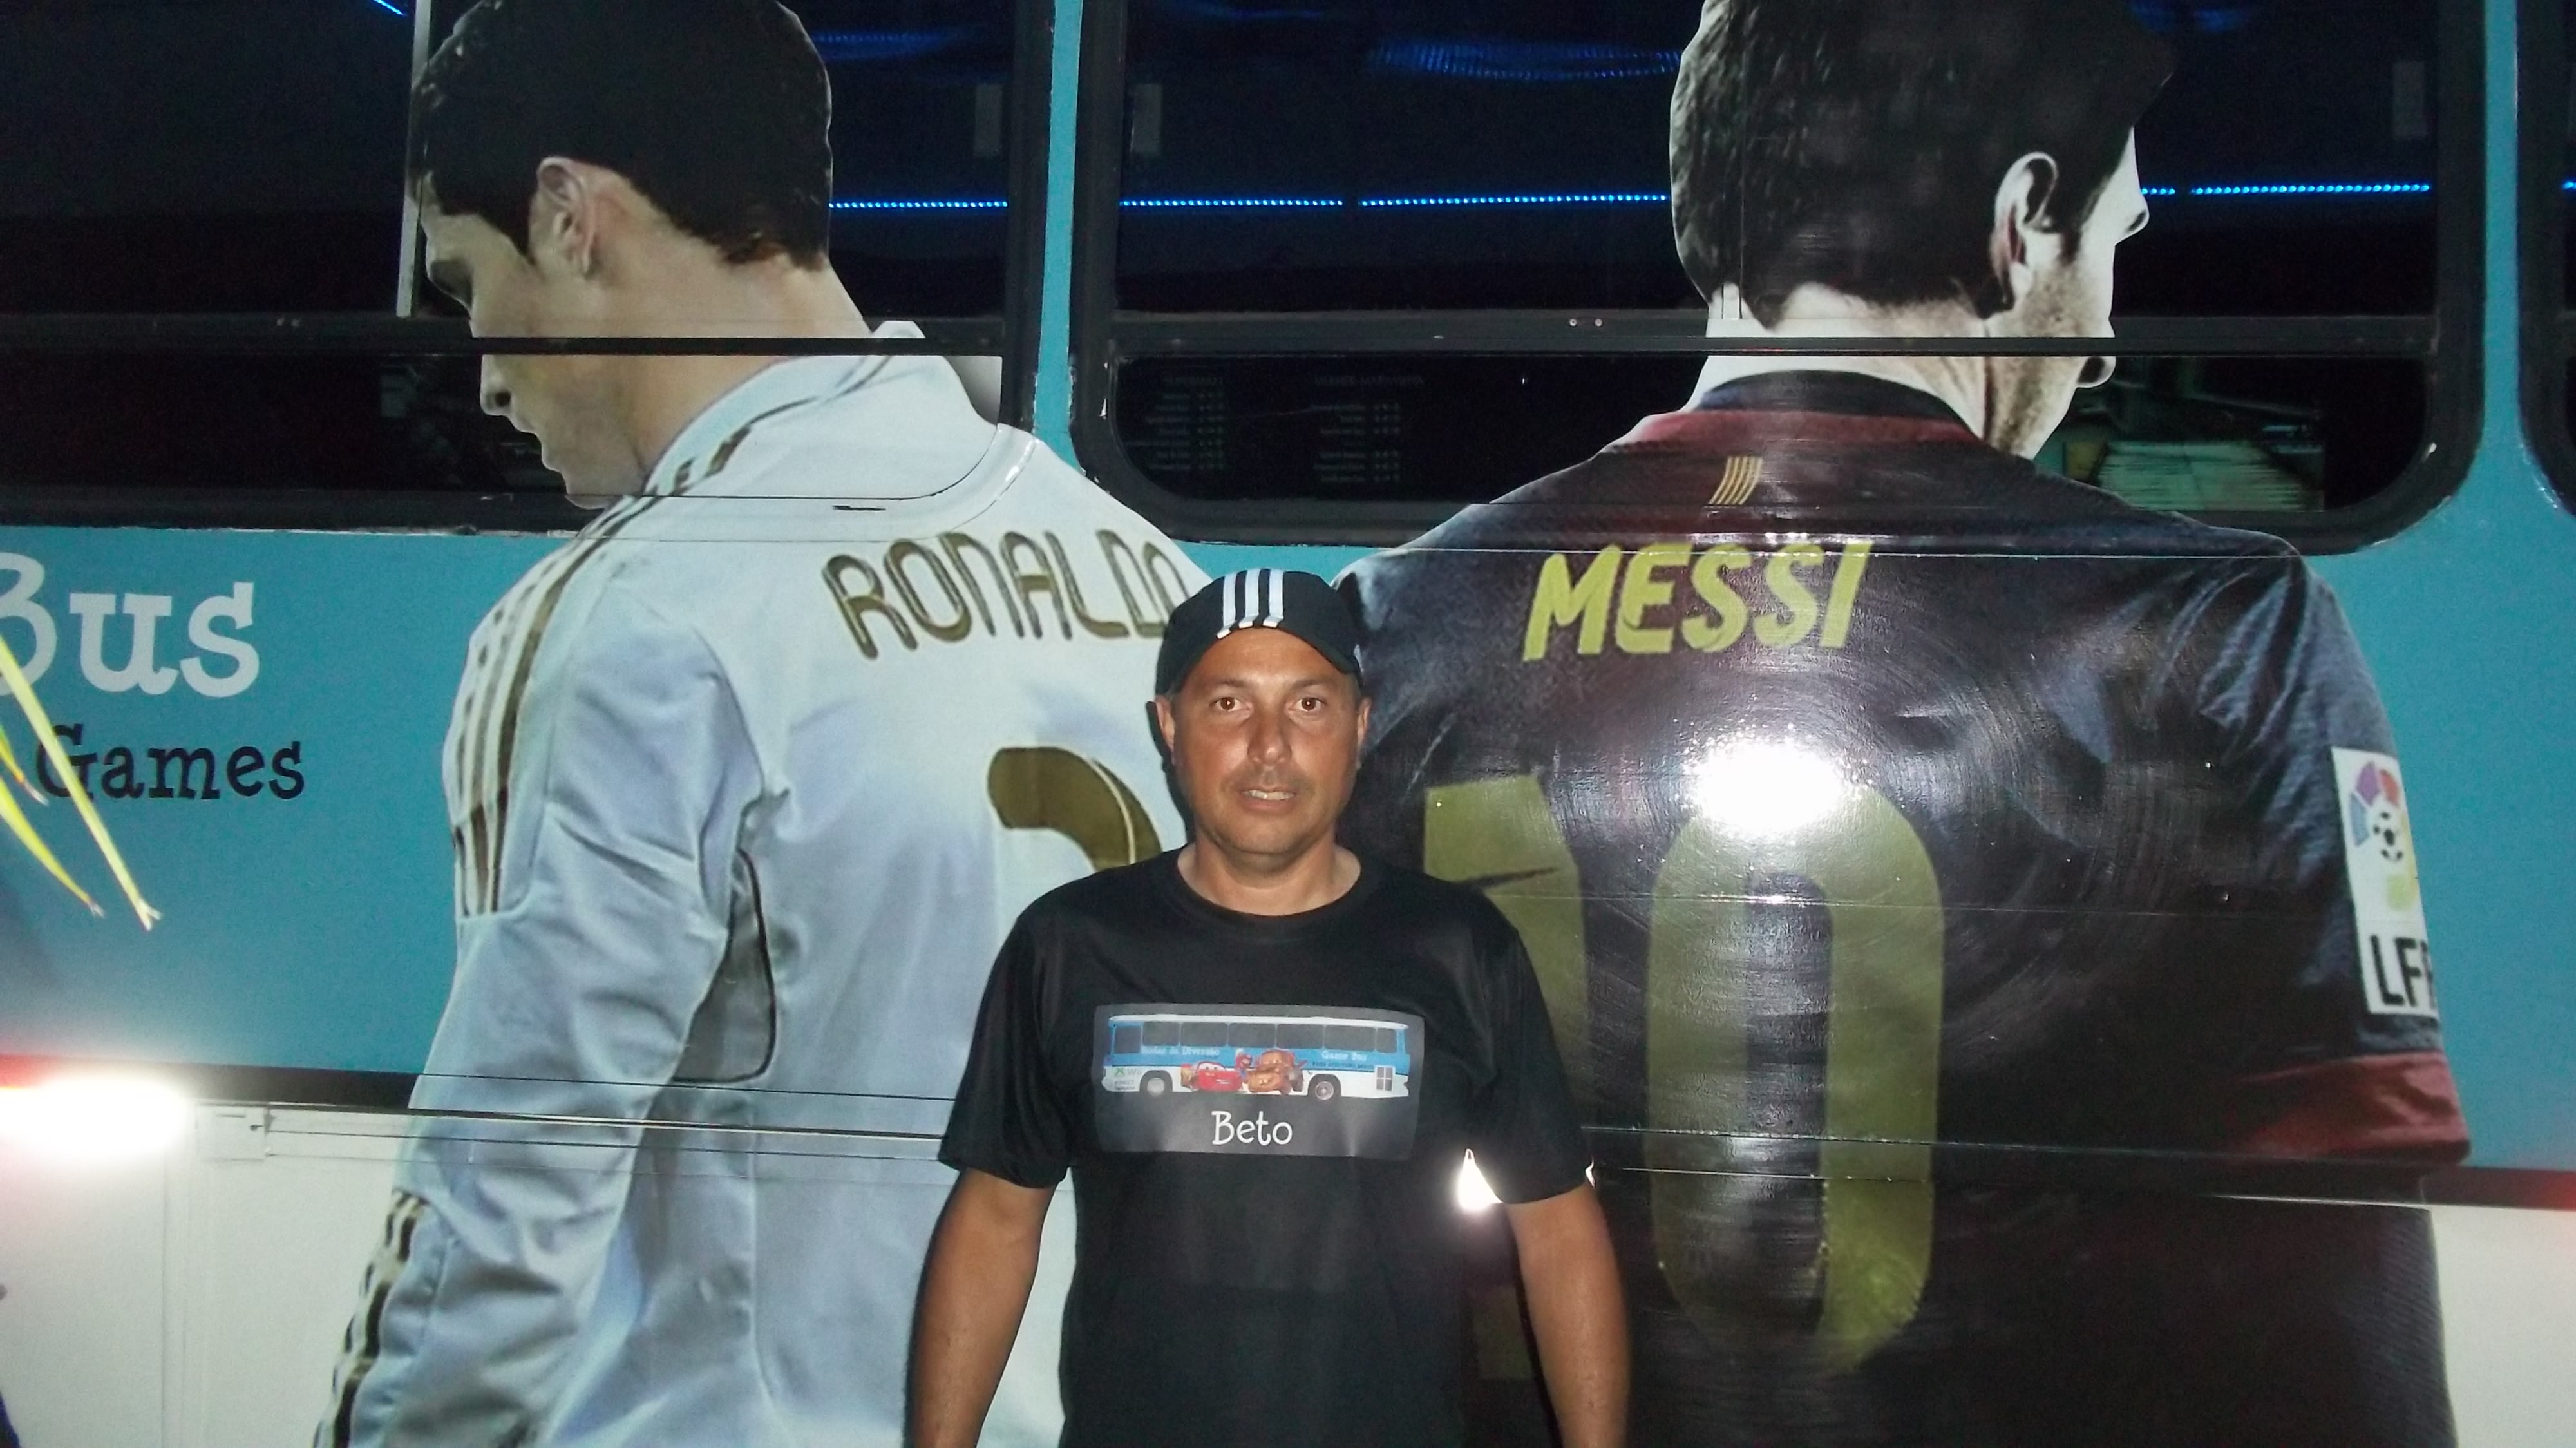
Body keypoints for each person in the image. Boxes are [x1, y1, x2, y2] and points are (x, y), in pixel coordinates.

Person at [1336, 2, 2468, 1445]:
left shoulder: (1397, 621)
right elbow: (2326, 1273)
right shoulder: (2213, 626)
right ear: (2024, 219)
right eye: (2111, 241)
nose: (2103, 347)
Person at [314, 3, 1203, 1444]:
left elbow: (502, 1198)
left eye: (470, 282)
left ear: (569, 217)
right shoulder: (1150, 576)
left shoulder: (640, 615)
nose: (483, 372)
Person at [913, 569, 1629, 1448]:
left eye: (1309, 706)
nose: (1269, 747)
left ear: (1359, 727)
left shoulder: (1459, 948)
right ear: (1169, 725)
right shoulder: (1070, 944)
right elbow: (995, 1220)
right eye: (1228, 705)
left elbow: (1557, 1226)